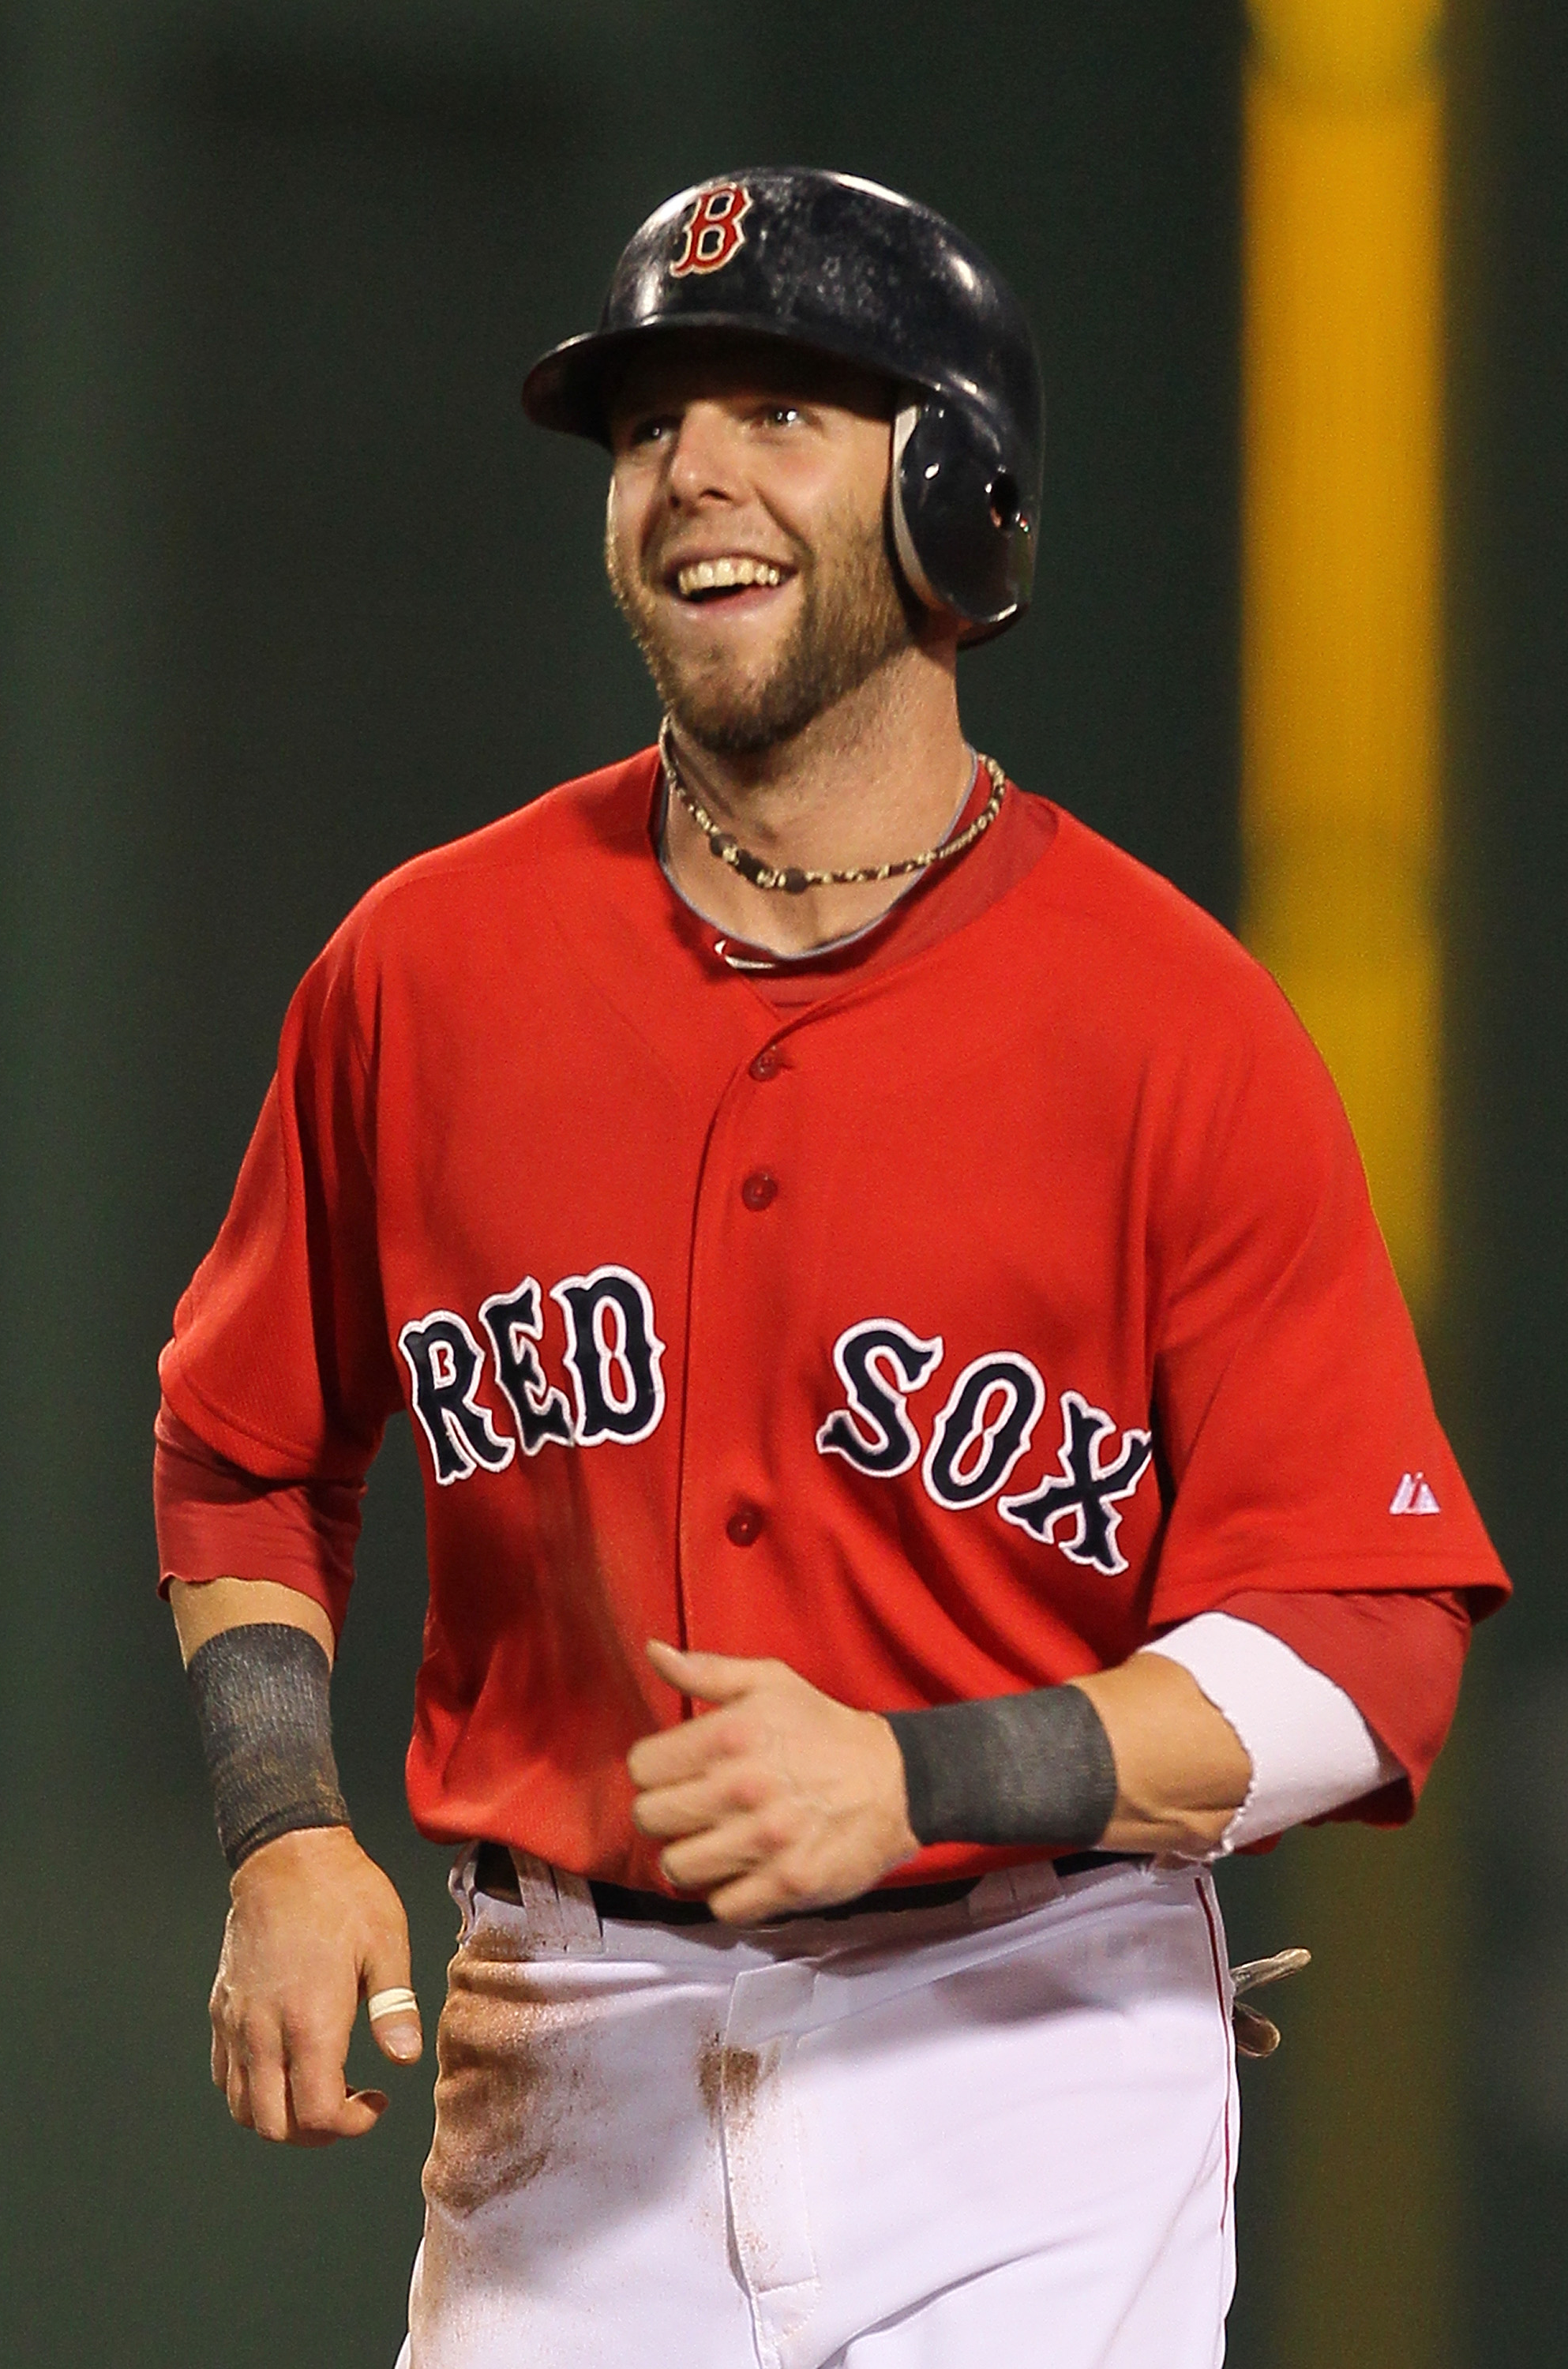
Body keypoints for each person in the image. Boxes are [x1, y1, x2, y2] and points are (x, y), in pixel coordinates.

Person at [154, 168, 1508, 2368]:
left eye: (781, 407)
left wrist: (922, 1776)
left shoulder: (1169, 1024)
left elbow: (1368, 1658)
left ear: (959, 497)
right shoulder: (426, 966)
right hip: (560, 2049)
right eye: (644, 426)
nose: (689, 467)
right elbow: (236, 1449)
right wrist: (283, 1833)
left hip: (1029, 2051)